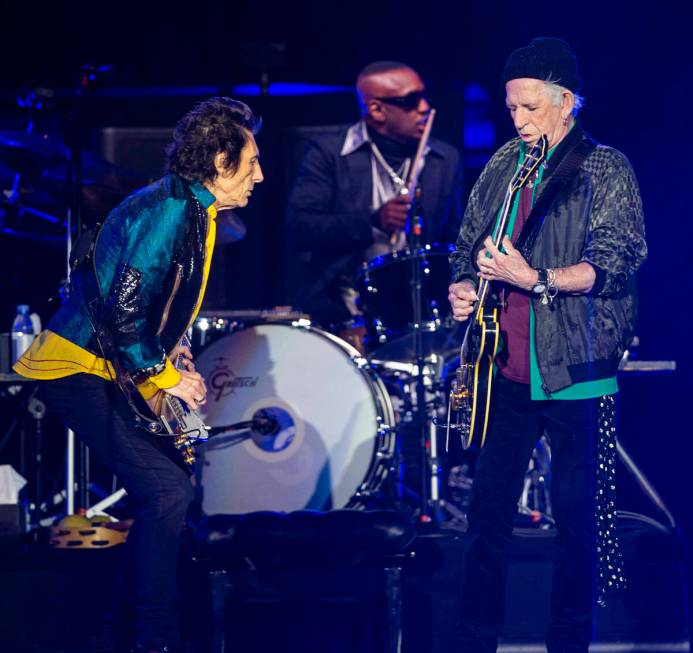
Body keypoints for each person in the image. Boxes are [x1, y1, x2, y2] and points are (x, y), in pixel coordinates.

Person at [14, 97, 264, 653]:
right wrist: (162, 375)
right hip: (74, 368)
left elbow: (151, 307)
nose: (260, 175)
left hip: (110, 366)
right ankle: (153, 638)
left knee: (168, 492)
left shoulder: (191, 208)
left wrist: (171, 359)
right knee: (167, 490)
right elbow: (124, 311)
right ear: (221, 161)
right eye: (251, 163)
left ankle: (119, 635)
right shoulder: (169, 211)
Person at [447, 38, 647, 652]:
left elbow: (617, 260)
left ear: (566, 103)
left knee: (575, 523)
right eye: (512, 109)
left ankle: (569, 644)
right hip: (504, 371)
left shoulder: (602, 167)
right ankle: (475, 641)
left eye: (531, 108)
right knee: (485, 519)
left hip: (576, 369)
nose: (520, 120)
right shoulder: (505, 163)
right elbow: (467, 242)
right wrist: (461, 285)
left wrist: (532, 280)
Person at [287, 60, 462, 332]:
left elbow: (454, 238)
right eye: (410, 101)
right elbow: (300, 227)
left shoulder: (443, 159)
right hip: (341, 306)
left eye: (423, 96)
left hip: (421, 309)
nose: (424, 107)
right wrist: (371, 222)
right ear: (377, 109)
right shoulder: (329, 153)